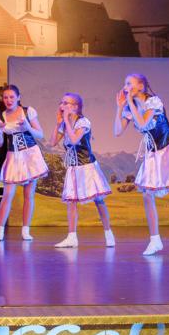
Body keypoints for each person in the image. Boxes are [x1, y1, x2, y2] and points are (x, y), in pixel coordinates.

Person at [114, 73, 169, 256]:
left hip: (168, 149)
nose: (125, 87)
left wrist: (130, 104)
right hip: (152, 154)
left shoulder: (154, 101)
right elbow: (117, 131)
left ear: (141, 86)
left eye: (129, 83)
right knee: (147, 194)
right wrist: (120, 108)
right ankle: (155, 240)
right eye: (125, 83)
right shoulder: (131, 107)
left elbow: (144, 124)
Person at [50, 92, 115, 248]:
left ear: (75, 107)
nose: (62, 105)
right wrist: (58, 124)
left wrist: (66, 120)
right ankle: (72, 237)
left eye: (66, 103)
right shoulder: (64, 124)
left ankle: (108, 233)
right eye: (61, 102)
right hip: (73, 168)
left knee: (98, 200)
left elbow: (74, 140)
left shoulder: (83, 122)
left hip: (87, 166)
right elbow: (52, 142)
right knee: (71, 202)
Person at [0, 84, 47, 241]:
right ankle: (0, 230)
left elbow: (40, 134)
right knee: (7, 194)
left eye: (11, 97)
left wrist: (27, 126)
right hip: (13, 156)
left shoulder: (28, 111)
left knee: (28, 194)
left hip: (30, 155)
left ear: (18, 97)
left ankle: (25, 230)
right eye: (5, 97)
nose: (8, 100)